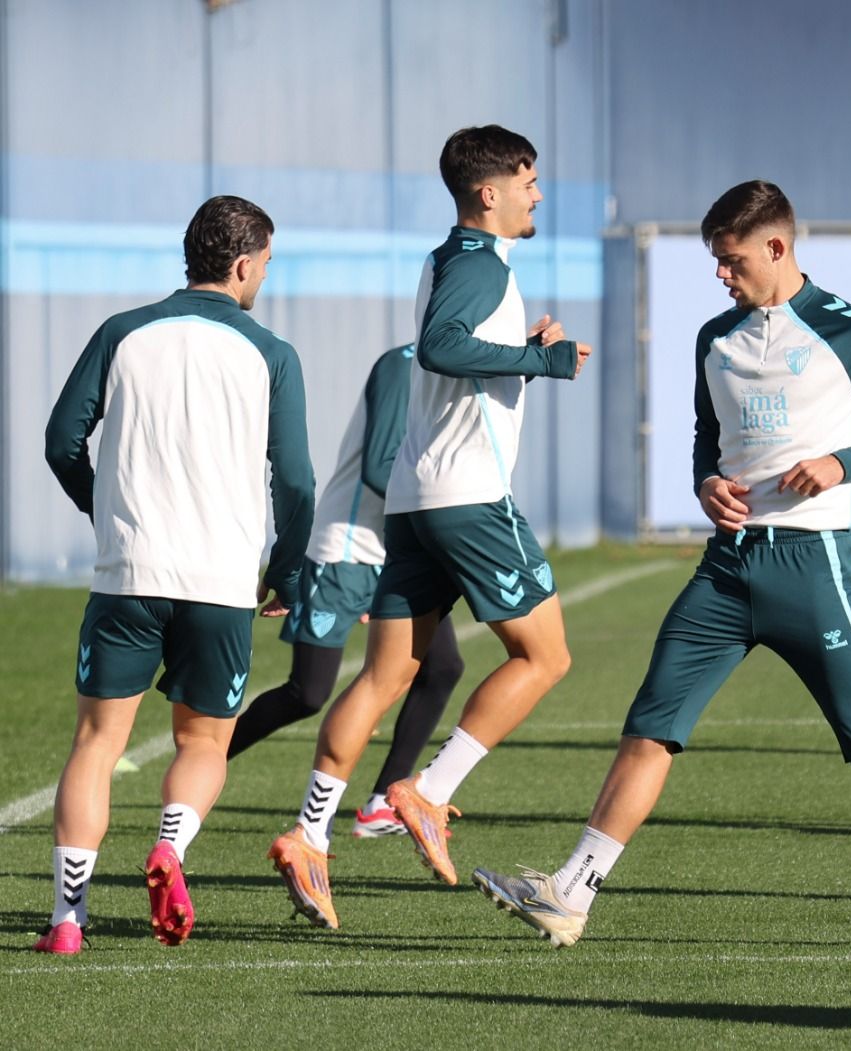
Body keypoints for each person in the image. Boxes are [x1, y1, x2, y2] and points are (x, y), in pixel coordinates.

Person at [470, 180, 851, 953]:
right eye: (716, 260)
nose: (721, 273)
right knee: (650, 726)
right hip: (726, 569)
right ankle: (571, 893)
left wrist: (843, 465)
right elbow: (707, 440)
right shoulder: (715, 336)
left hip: (817, 570)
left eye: (732, 258)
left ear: (778, 246)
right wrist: (706, 483)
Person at [268, 125, 591, 929]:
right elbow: (444, 346)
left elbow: (452, 347)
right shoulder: (480, 265)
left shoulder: (446, 257)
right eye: (529, 181)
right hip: (469, 496)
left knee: (385, 677)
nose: (537, 194)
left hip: (416, 499)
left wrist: (520, 347)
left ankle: (310, 834)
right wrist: (544, 360)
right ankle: (426, 791)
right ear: (491, 192)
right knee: (547, 655)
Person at [37, 196, 314, 953]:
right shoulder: (271, 354)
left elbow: (63, 437)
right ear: (244, 263)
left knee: (96, 743)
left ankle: (67, 919)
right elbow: (295, 482)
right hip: (222, 582)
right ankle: (169, 850)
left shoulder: (123, 332)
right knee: (201, 742)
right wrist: (286, 572)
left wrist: (105, 511)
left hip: (128, 572)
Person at [228, 344, 466, 838]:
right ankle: (205, 754)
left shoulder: (457, 374)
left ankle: (383, 801)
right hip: (345, 552)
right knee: (307, 692)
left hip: (397, 556)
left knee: (442, 667)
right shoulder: (405, 365)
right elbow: (379, 466)